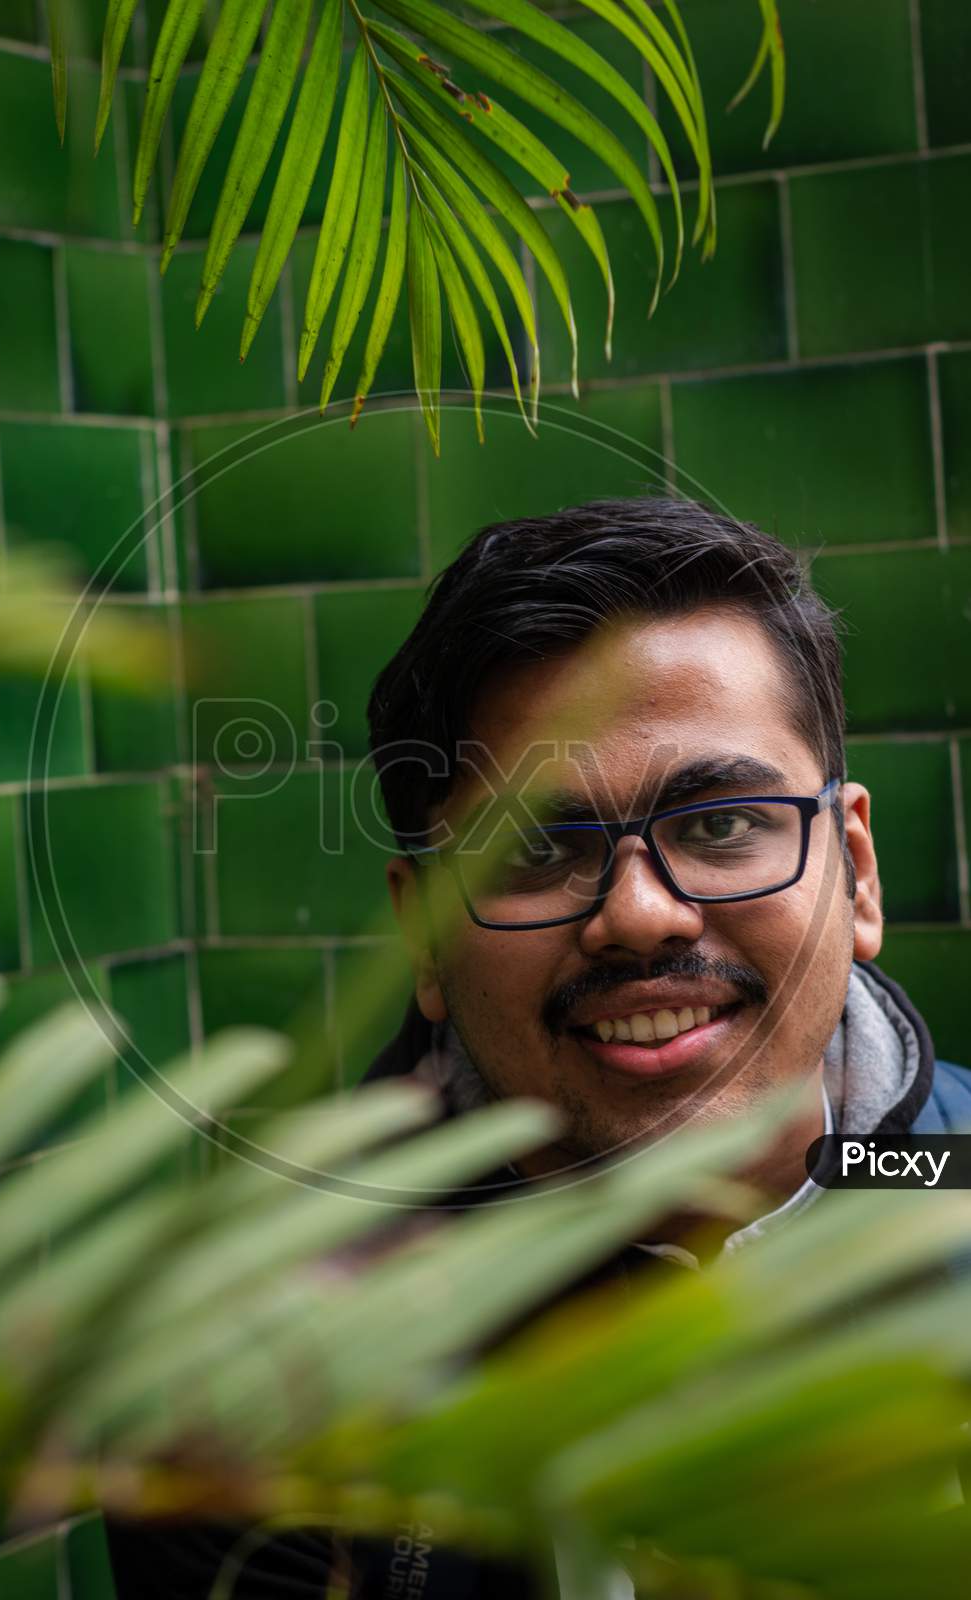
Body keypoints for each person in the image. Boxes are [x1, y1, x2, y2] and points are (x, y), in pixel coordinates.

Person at [106, 497, 971, 1597]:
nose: (641, 914)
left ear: (855, 870)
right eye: (532, 849)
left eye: (717, 824)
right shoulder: (251, 1379)